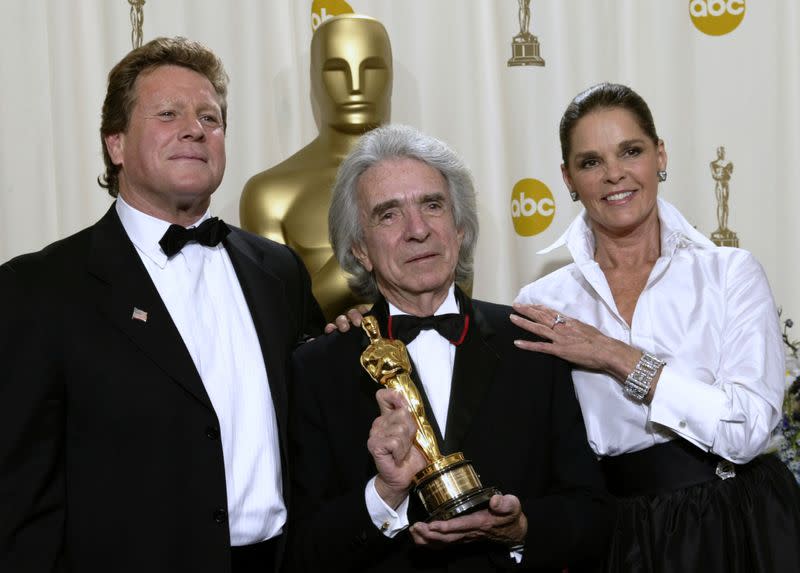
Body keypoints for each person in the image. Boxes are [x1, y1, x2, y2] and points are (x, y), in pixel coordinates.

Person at [0, 37, 324, 573]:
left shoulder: (279, 273)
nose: (195, 129)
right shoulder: (39, 289)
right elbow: (18, 495)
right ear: (116, 145)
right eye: (168, 114)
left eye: (210, 117)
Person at [287, 124, 613, 572]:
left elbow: (592, 514)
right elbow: (302, 552)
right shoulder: (319, 367)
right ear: (360, 249)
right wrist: (383, 495)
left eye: (432, 206)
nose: (417, 230)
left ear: (459, 229)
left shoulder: (531, 342)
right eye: (388, 214)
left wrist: (521, 529)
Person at [512, 82, 800, 572]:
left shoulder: (729, 273)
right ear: (567, 178)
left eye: (631, 151)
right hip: (617, 538)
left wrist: (615, 356)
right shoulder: (542, 304)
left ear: (659, 154)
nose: (614, 175)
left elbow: (748, 430)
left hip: (741, 522)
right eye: (590, 162)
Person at [240, 14, 392, 320]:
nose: (355, 86)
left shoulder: (433, 183)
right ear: (314, 80)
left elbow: (454, 306)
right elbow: (279, 322)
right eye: (336, 70)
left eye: (372, 68)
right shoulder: (270, 195)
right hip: (317, 365)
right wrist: (359, 261)